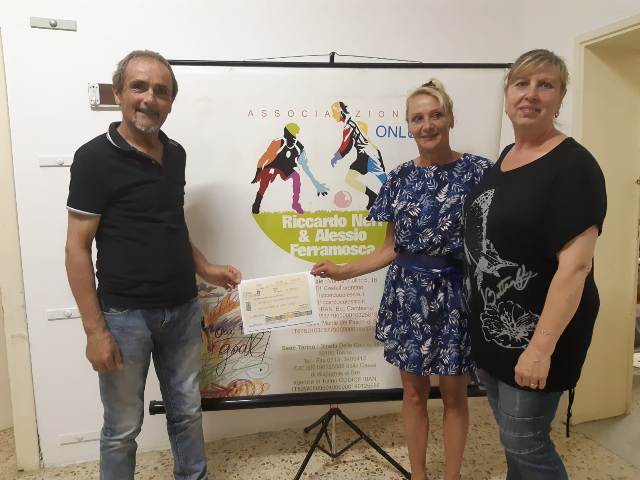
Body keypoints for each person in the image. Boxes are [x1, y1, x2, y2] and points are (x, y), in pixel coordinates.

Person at [65, 50, 241, 480]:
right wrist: (95, 331)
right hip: (124, 316)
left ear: (170, 102)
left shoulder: (175, 154)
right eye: (139, 87)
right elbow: (76, 249)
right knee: (122, 429)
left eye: (161, 91)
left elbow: (170, 223)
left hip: (182, 309)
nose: (149, 98)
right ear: (119, 93)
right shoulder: (93, 158)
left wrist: (205, 268)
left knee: (187, 413)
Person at [312, 80, 491, 480]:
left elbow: (494, 240)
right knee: (412, 394)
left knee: (455, 395)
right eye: (417, 118)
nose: (427, 125)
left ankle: (452, 476)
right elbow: (390, 248)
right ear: (408, 126)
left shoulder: (480, 172)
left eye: (436, 115)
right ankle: (419, 475)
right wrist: (343, 271)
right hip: (407, 296)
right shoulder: (398, 179)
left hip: (455, 295)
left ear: (450, 118)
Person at [463, 49, 607, 479]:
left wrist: (540, 350)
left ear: (560, 99)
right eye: (521, 84)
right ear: (507, 95)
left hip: (539, 335)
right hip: (495, 327)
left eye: (545, 85)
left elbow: (576, 268)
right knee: (512, 439)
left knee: (525, 440)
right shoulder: (508, 155)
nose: (530, 94)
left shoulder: (574, 166)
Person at [251, 122, 328, 214]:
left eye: (294, 134)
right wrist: (258, 172)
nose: (293, 137)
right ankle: (257, 203)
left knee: (296, 176)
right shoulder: (278, 142)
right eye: (291, 134)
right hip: (273, 166)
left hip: (287, 168)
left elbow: (306, 168)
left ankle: (295, 203)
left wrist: (316, 184)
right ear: (286, 133)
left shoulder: (299, 148)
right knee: (267, 175)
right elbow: (265, 156)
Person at [329, 101, 388, 209]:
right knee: (350, 178)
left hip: (368, 155)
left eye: (334, 112)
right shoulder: (352, 123)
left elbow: (346, 145)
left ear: (340, 111)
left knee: (385, 182)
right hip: (366, 154)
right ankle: (372, 196)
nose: (333, 115)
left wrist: (336, 157)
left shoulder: (349, 125)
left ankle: (384, 199)